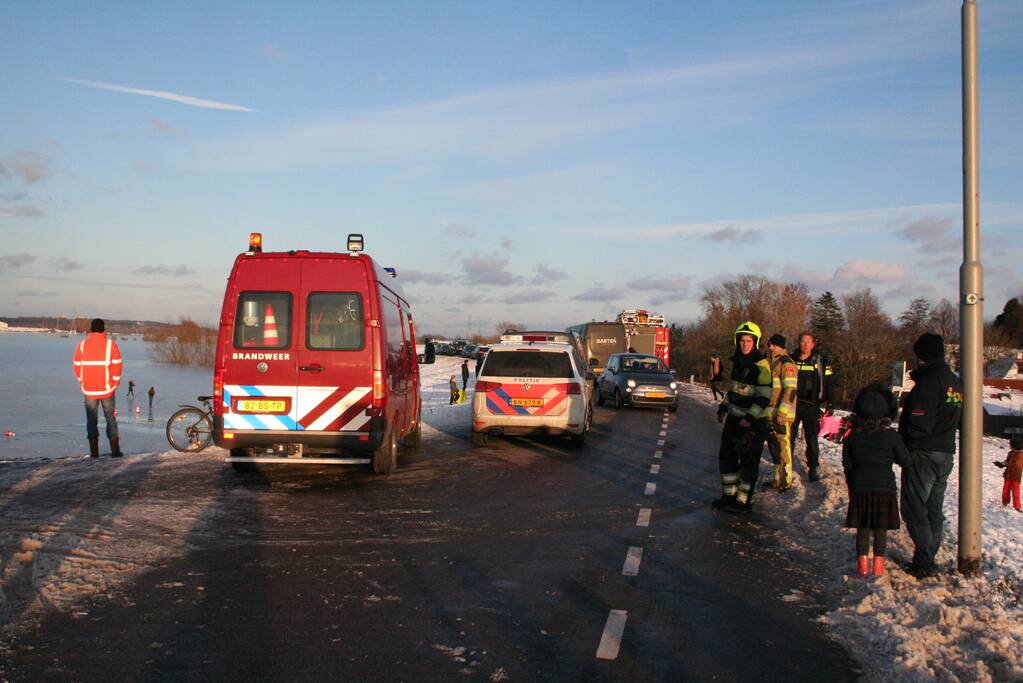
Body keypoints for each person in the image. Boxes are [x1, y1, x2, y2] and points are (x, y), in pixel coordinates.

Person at [898, 333, 962, 577]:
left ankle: (924, 560)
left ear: (921, 356)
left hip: (923, 452)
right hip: (945, 452)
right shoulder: (954, 381)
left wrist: (904, 445)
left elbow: (919, 421)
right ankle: (927, 558)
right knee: (933, 508)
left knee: (914, 508)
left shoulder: (929, 382)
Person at [843, 383, 909, 578]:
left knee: (863, 528)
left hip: (860, 488)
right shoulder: (891, 436)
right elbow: (906, 460)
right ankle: (878, 567)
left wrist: (852, 486)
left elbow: (848, 465)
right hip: (884, 488)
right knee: (881, 530)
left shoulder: (852, 436)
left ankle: (862, 567)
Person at [714, 321, 772, 513]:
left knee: (748, 463)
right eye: (742, 340)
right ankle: (728, 496)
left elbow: (764, 397)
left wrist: (750, 418)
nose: (745, 344)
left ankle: (743, 502)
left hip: (753, 424)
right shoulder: (738, 362)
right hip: (734, 419)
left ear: (755, 342)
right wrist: (723, 408)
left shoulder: (761, 365)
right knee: (727, 458)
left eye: (748, 341)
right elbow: (734, 391)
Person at [72, 318, 123, 458]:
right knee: (110, 418)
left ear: (91, 329)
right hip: (107, 389)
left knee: (91, 420)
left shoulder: (82, 345)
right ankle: (115, 451)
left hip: (89, 390)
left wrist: (82, 382)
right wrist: (114, 384)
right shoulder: (111, 345)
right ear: (103, 329)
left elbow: (76, 366)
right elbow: (117, 366)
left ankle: (94, 453)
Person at [789, 332, 834, 482]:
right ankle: (786, 466)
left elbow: (829, 382)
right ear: (798, 343)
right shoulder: (791, 359)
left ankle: (813, 467)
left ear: (813, 344)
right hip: (793, 404)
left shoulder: (821, 361)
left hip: (812, 405)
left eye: (808, 342)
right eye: (802, 342)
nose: (805, 345)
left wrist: (830, 402)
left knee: (812, 438)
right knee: (789, 436)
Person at [764, 335, 798, 491]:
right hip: (771, 413)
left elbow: (790, 390)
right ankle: (778, 479)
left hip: (781, 415)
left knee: (783, 448)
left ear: (781, 346)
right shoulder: (772, 362)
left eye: (773, 345)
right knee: (775, 448)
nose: (770, 348)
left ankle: (786, 480)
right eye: (769, 345)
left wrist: (782, 413)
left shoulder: (786, 363)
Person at [994, 434, 1023, 512]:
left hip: (1015, 477)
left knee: (1015, 492)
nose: (1010, 446)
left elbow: (1017, 465)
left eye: (1011, 445)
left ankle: (1017, 506)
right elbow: (1006, 462)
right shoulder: (1010, 453)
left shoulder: (1021, 455)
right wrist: (1000, 464)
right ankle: (1005, 503)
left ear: (1015, 446)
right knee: (1005, 490)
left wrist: (1007, 464)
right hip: (1008, 475)